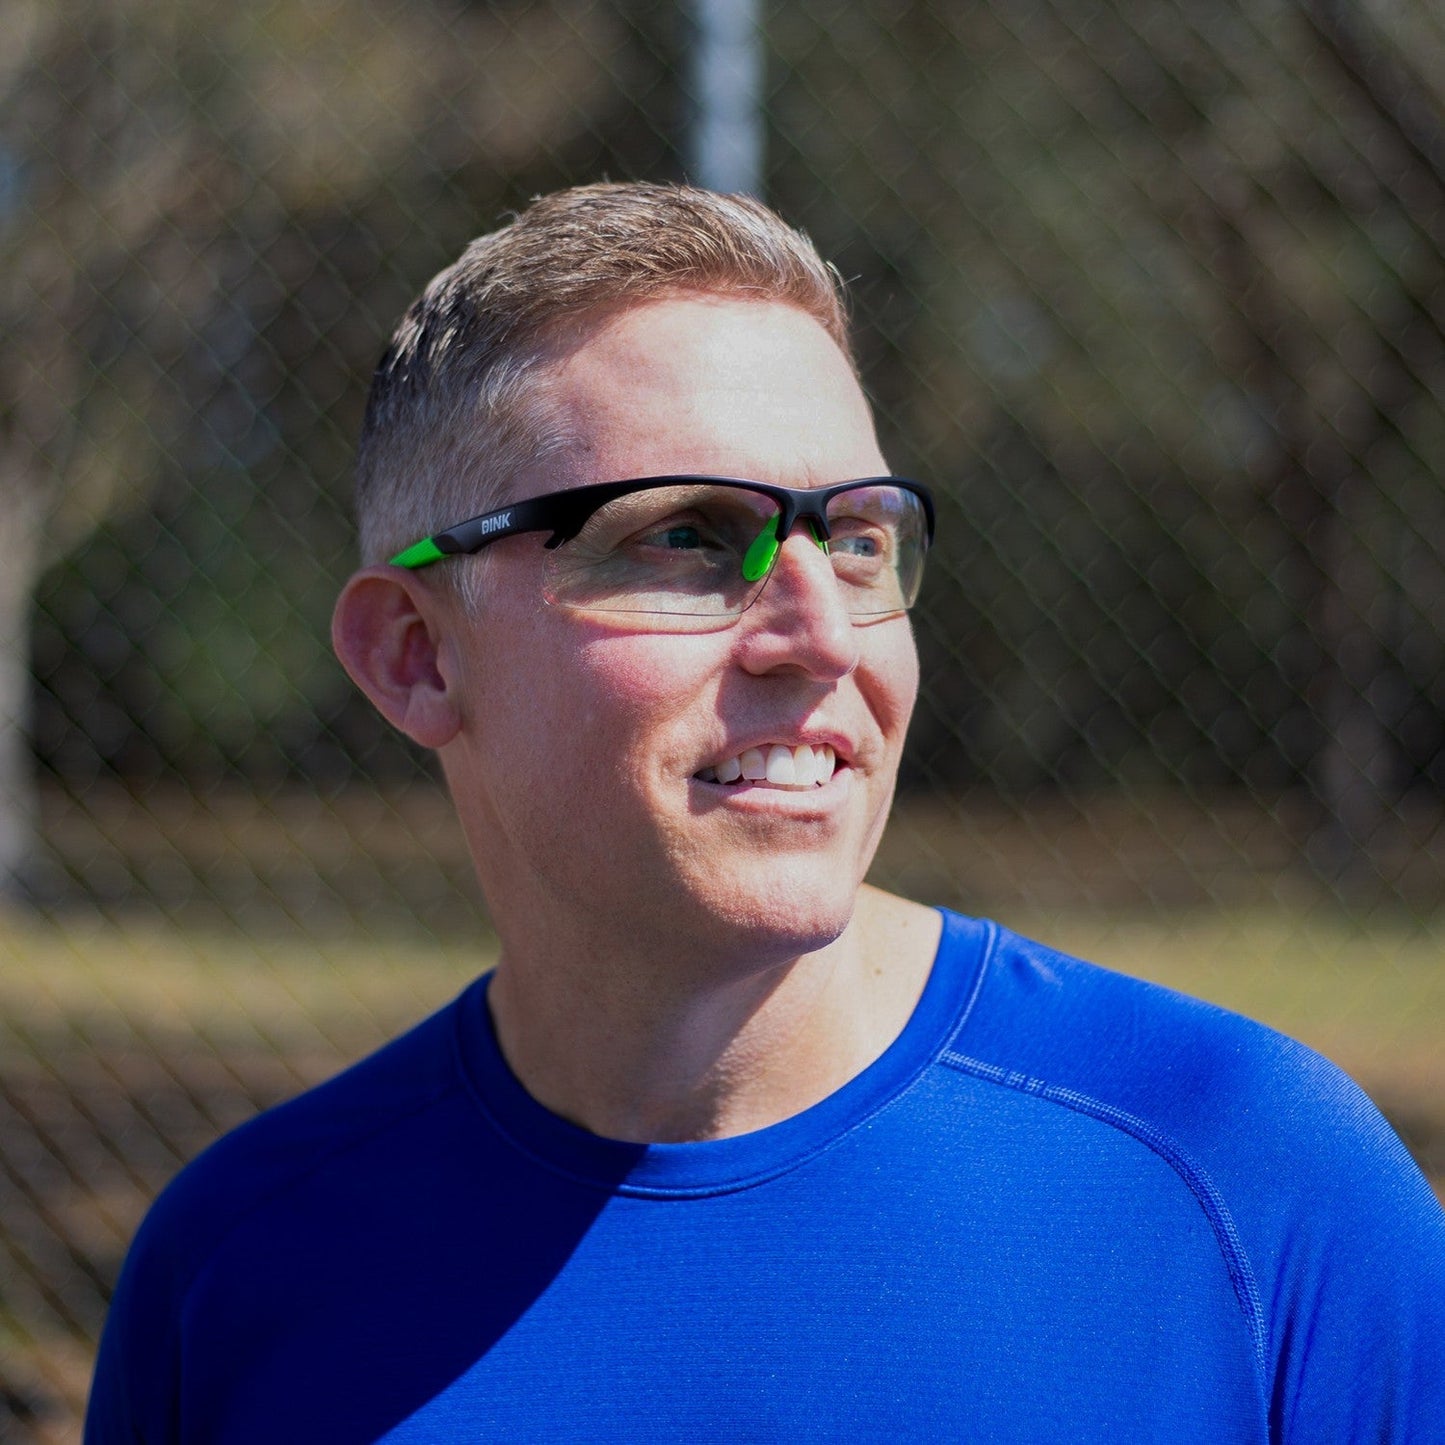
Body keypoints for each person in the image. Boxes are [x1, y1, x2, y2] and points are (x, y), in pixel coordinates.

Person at [86, 181, 1445, 1444]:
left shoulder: (1250, 1186)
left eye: (856, 539)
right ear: (416, 656)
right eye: (682, 535)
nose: (822, 633)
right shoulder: (241, 1271)